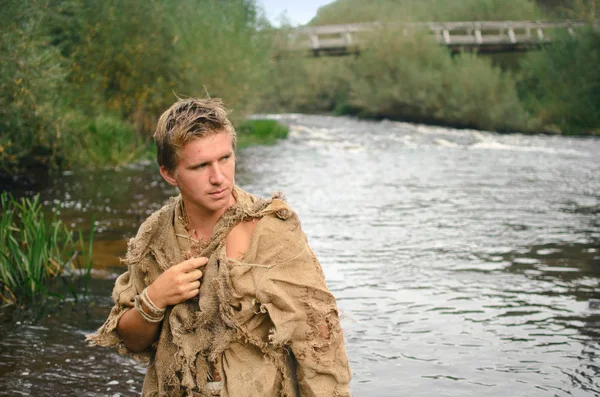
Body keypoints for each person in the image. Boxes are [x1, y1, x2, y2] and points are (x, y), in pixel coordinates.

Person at [87, 97, 352, 397]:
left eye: (225, 158)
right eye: (200, 166)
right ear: (169, 173)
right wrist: (155, 298)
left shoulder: (271, 230)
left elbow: (320, 340)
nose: (218, 178)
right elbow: (132, 340)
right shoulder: (155, 236)